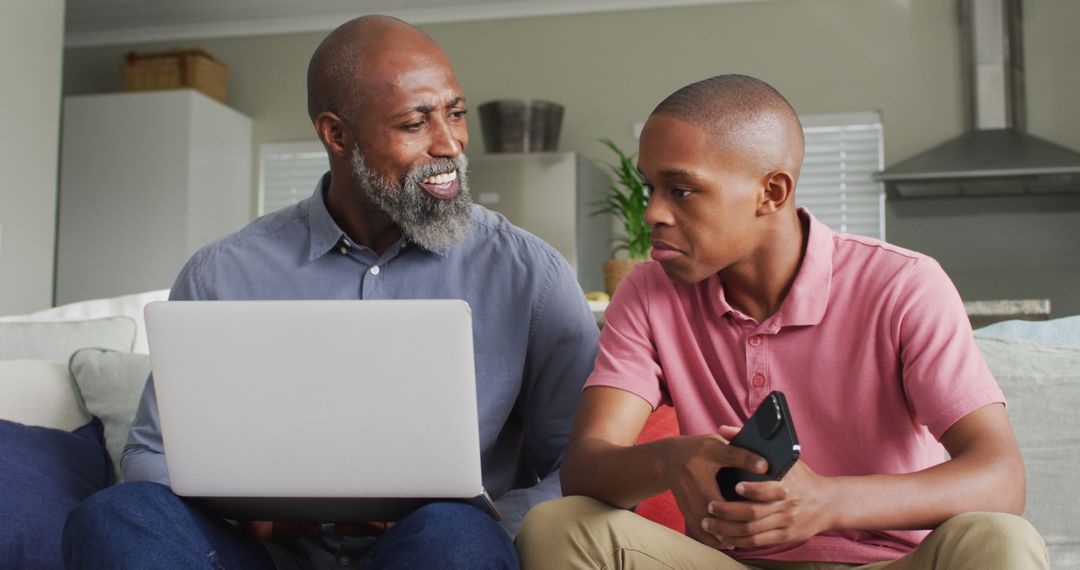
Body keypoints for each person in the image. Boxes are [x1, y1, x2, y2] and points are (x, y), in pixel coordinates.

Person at [62, 15, 599, 570]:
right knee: (112, 515)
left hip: (434, 553)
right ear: (336, 134)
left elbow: (580, 466)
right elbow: (151, 453)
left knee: (455, 532)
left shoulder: (529, 273)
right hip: (265, 554)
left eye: (455, 113)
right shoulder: (220, 274)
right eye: (415, 123)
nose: (451, 143)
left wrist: (491, 523)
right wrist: (256, 515)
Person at [515, 75, 1048, 569]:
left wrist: (829, 502)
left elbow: (1001, 477)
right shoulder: (649, 291)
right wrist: (671, 459)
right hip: (726, 563)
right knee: (556, 528)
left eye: (680, 190)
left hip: (886, 563)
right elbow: (584, 469)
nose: (652, 211)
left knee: (1001, 540)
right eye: (650, 186)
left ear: (772, 193)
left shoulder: (903, 284)